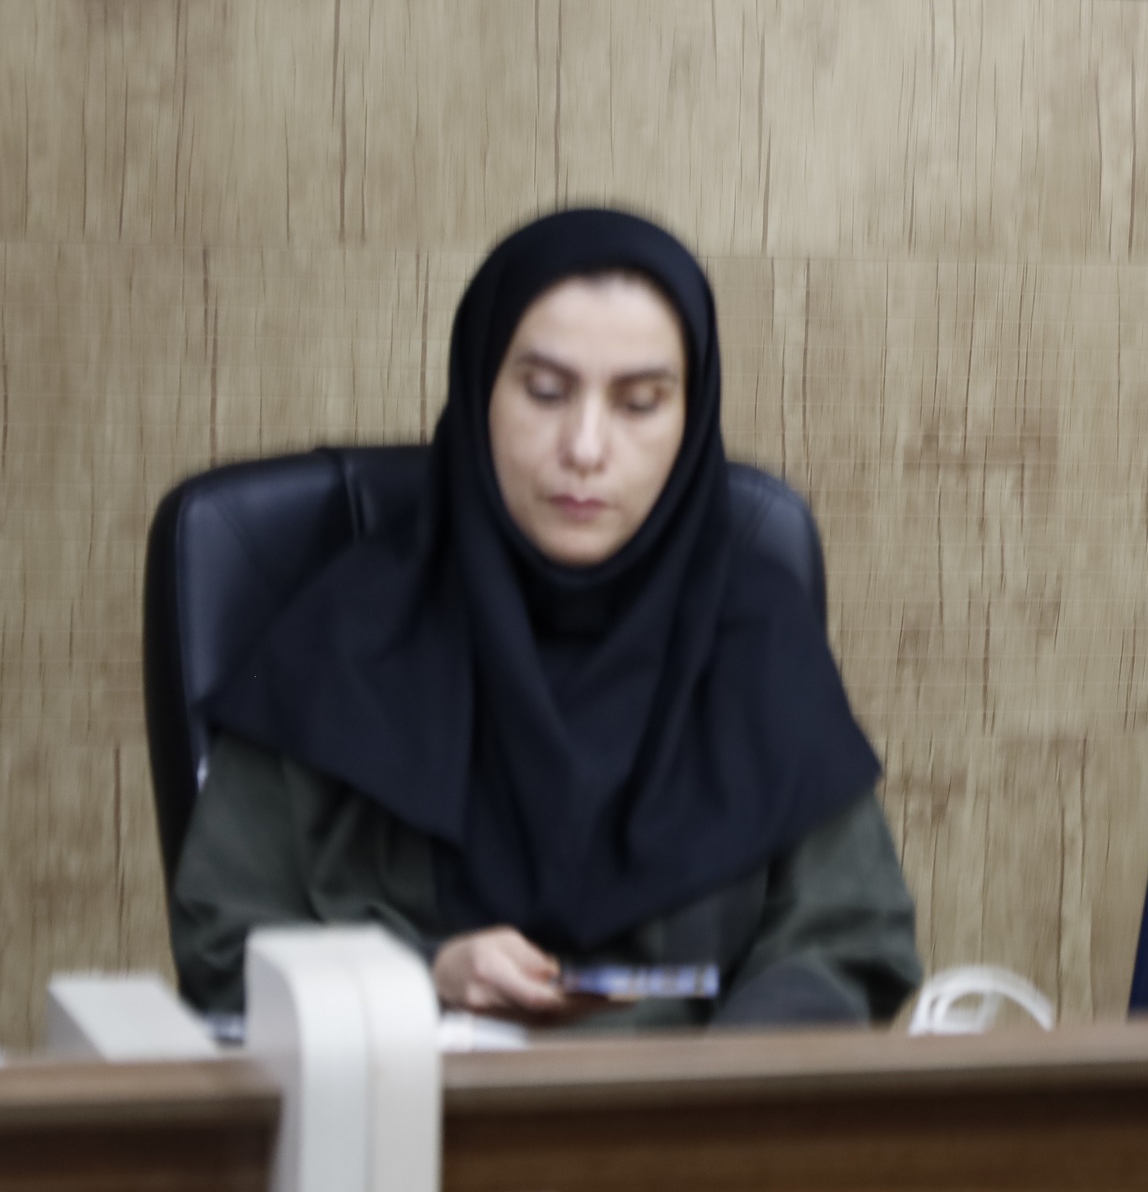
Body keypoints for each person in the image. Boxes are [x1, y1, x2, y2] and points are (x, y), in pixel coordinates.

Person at [171, 208, 922, 1029]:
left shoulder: (758, 638)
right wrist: (427, 973)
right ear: (479, 390)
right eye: (546, 392)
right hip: (406, 1096)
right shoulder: (339, 641)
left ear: (691, 417)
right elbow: (222, 942)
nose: (586, 447)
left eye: (640, 403)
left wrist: (723, 1082)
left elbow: (848, 939)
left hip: (711, 1101)